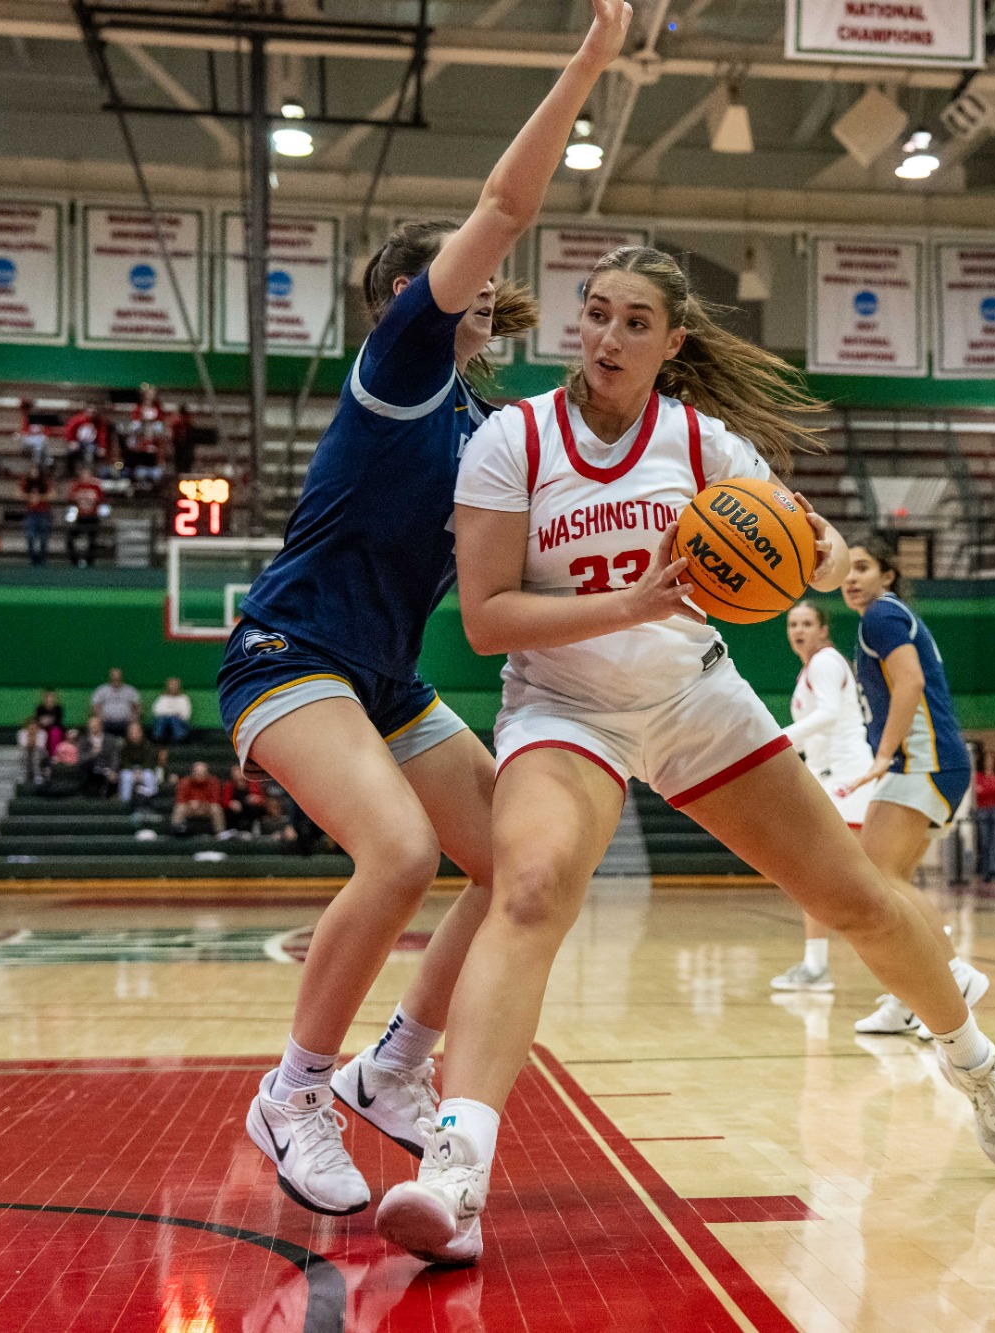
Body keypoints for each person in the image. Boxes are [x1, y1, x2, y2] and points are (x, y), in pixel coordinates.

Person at [373, 245, 995, 1267]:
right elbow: (490, 619)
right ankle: (456, 1167)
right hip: (565, 707)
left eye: (634, 322)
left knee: (855, 897)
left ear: (670, 342)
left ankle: (973, 1055)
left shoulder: (701, 442)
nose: (606, 337)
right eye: (595, 314)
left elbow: (810, 548)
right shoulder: (513, 439)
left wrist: (807, 544)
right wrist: (634, 601)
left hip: (693, 698)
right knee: (531, 885)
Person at [229, 1, 631, 1223]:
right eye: (466, 271)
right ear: (412, 290)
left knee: (508, 860)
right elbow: (505, 206)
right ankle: (292, 1088)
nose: (493, 280)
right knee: (397, 852)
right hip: (291, 650)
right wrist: (588, 63)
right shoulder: (401, 368)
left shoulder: (482, 432)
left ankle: (391, 1064)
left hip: (384, 678)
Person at [839, 537, 991, 1039]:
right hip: (926, 762)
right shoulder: (888, 616)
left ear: (888, 574)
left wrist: (883, 755)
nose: (852, 577)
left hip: (922, 762)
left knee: (881, 876)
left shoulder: (880, 616)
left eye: (863, 567)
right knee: (887, 879)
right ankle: (909, 999)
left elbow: (910, 684)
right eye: (847, 569)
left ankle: (953, 977)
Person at [770, 599, 876, 994]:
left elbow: (829, 715)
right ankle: (815, 966)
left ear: (823, 628)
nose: (798, 630)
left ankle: (942, 955)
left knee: (871, 881)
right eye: (792, 624)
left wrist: (777, 741)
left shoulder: (826, 662)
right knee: (817, 877)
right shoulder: (810, 669)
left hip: (848, 780)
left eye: (806, 623)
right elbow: (817, 735)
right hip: (829, 778)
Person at [972, 748, 995, 884]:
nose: (989, 762)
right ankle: (986, 873)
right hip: (982, 810)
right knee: (985, 842)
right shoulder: (978, 776)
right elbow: (978, 792)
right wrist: (991, 786)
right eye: (987, 760)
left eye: (991, 760)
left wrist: (987, 787)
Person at [114, 720, 163, 806]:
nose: (134, 735)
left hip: (144, 770)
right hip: (129, 771)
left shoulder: (148, 745)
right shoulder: (124, 746)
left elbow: (150, 761)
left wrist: (140, 771)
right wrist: (133, 771)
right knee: (125, 776)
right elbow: (123, 761)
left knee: (149, 775)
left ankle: (150, 798)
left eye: (136, 732)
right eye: (132, 733)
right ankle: (125, 801)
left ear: (141, 733)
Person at [171, 761, 227, 835]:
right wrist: (190, 803)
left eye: (202, 773)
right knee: (179, 808)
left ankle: (221, 833)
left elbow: (215, 799)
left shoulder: (213, 782)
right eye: (197, 773)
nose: (199, 776)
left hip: (206, 808)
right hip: (189, 809)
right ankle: (176, 831)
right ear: (192, 773)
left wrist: (202, 804)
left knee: (216, 808)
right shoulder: (184, 782)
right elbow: (180, 799)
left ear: (207, 773)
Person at [67, 471, 106, 566]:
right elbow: (70, 499)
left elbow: (102, 501)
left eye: (87, 475)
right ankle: (74, 561)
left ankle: (90, 562)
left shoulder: (96, 487)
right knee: (70, 537)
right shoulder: (77, 487)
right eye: (83, 475)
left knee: (93, 539)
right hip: (79, 517)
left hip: (92, 517)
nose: (85, 477)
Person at [20, 464, 53, 566]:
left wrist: (40, 497)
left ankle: (42, 559)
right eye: (32, 470)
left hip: (43, 513)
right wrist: (30, 497)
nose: (34, 472)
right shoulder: (27, 481)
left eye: (35, 470)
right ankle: (33, 558)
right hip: (31, 514)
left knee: (43, 537)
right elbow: (17, 494)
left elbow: (53, 494)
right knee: (30, 536)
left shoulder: (44, 481)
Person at [225, 763, 271, 835]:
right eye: (235, 773)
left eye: (239, 772)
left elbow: (262, 799)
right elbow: (224, 800)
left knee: (254, 808)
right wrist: (230, 803)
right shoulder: (228, 786)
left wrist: (256, 799)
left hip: (249, 809)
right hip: (235, 811)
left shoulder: (253, 783)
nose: (238, 775)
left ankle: (253, 830)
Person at [91, 667, 143, 732]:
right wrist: (100, 716)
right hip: (106, 722)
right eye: (114, 677)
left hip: (126, 722)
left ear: (121, 677)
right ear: (110, 678)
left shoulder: (130, 690)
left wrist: (134, 717)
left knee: (135, 726)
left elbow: (138, 707)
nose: (116, 679)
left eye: (118, 677)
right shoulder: (101, 690)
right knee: (95, 722)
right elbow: (95, 707)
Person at [151, 677, 193, 744]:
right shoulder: (162, 698)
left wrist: (172, 714)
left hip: (179, 720)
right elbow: (157, 711)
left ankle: (179, 739)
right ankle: (158, 739)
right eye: (171, 685)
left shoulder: (184, 699)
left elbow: (186, 714)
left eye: (175, 686)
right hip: (163, 719)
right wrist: (171, 713)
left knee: (174, 719)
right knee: (162, 719)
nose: (173, 688)